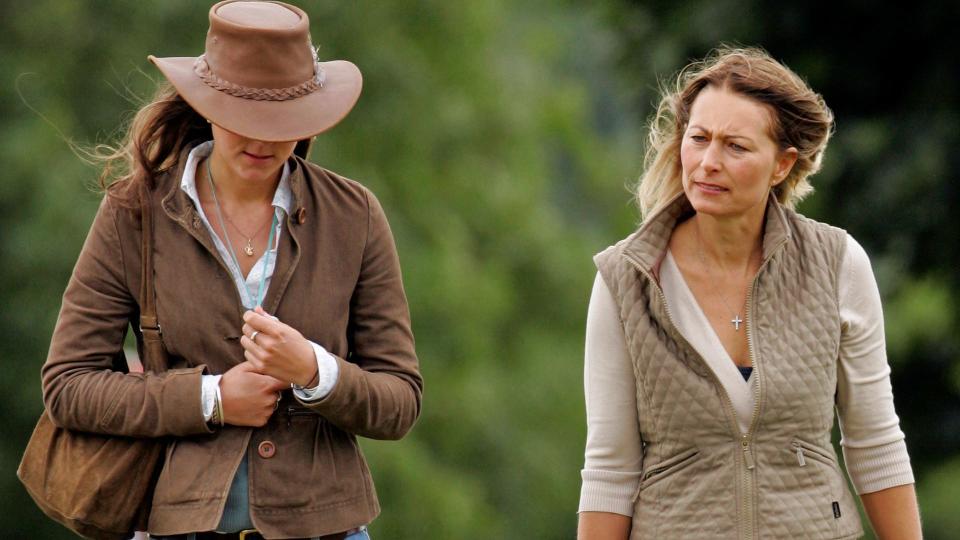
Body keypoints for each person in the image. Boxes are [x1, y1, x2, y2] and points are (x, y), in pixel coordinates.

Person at [40, 1, 422, 539]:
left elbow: (400, 401)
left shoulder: (354, 215)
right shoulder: (134, 213)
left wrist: (314, 370)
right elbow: (68, 387)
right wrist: (212, 399)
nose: (262, 141)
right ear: (207, 105)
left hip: (327, 528)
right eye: (244, 119)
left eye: (282, 122)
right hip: (180, 526)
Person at [577, 47, 921, 539]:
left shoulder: (839, 264)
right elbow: (610, 470)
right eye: (698, 139)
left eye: (735, 147)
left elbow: (875, 443)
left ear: (782, 165)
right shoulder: (623, 279)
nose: (708, 162)